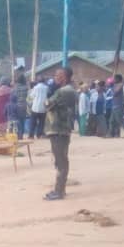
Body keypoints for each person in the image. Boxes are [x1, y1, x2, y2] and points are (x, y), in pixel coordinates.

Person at [43, 66, 76, 201]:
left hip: (58, 129)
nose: (55, 77)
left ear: (64, 77)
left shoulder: (63, 91)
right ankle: (60, 189)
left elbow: (47, 104)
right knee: (61, 159)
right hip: (62, 129)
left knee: (60, 160)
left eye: (58, 75)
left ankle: (59, 191)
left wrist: (49, 96)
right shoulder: (69, 90)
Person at [109, 74, 124, 138]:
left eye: (115, 79)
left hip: (118, 106)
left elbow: (115, 93)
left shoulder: (120, 85)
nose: (114, 80)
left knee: (120, 120)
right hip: (114, 105)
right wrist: (112, 86)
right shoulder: (115, 85)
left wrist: (112, 86)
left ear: (118, 79)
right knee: (111, 121)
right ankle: (111, 134)